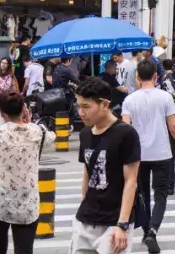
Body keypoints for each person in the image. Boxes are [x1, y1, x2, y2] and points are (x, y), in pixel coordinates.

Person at [121, 59, 175, 254]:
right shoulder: (165, 97)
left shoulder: (129, 100)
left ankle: (146, 229)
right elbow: (174, 127)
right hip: (162, 153)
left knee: (143, 194)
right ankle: (153, 232)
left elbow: (125, 129)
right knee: (161, 195)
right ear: (156, 76)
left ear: (137, 77)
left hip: (139, 155)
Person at [72, 77, 140, 254]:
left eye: (86, 107)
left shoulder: (126, 133)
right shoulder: (85, 133)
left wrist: (122, 225)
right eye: (78, 106)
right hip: (85, 220)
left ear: (104, 104)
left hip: (114, 222)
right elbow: (86, 173)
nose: (81, 112)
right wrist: (84, 205)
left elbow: (131, 181)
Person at [0, 91, 55, 254]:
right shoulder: (38, 132)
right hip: (27, 204)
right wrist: (30, 122)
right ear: (24, 108)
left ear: (1, 113)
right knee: (24, 250)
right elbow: (51, 137)